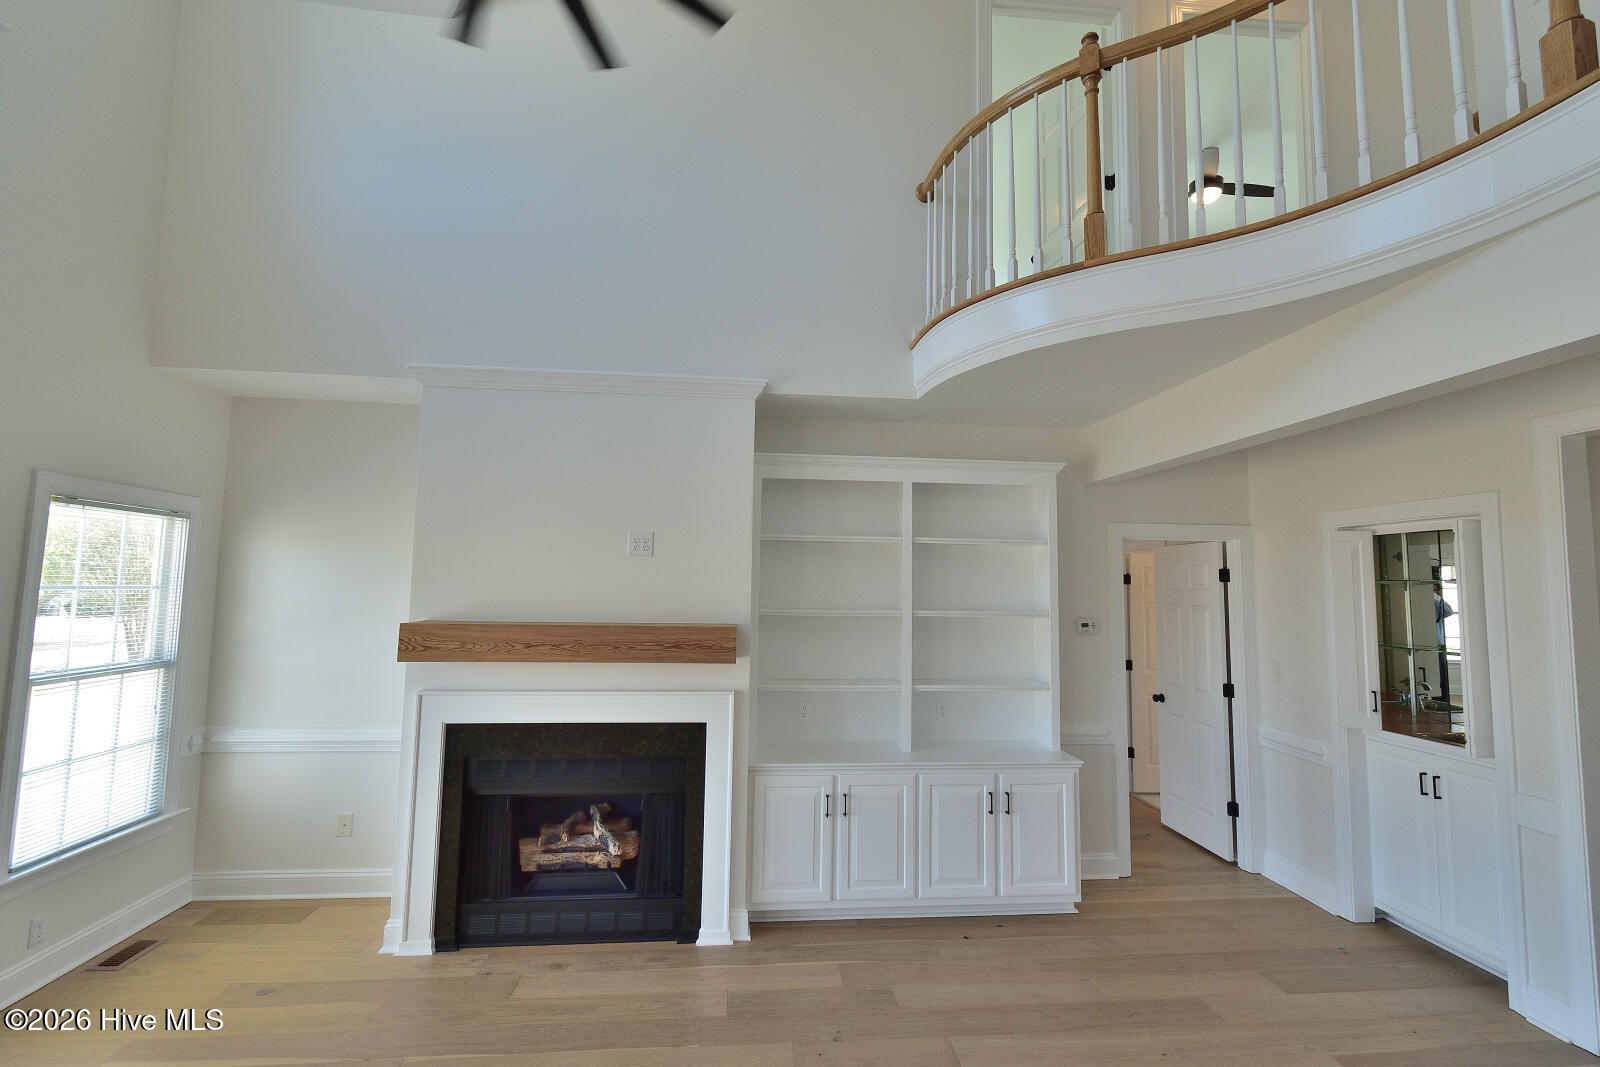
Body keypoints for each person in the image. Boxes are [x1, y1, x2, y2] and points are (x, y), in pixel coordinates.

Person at [1434, 584, 1455, 706]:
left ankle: (1443, 700)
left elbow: (1449, 611)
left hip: (1439, 644)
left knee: (1442, 675)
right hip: (1429, 644)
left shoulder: (1438, 602)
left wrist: (1439, 597)